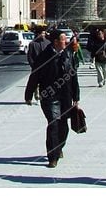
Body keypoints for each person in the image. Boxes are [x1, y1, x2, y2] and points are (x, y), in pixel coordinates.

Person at [24, 29, 80, 168]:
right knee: (53, 124)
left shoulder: (68, 54)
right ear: (56, 42)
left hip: (65, 95)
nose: (66, 42)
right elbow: (34, 76)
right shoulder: (44, 57)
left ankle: (59, 147)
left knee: (63, 127)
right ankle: (52, 157)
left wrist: (76, 97)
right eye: (63, 39)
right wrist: (29, 94)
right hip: (49, 96)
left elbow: (73, 76)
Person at [27, 29, 50, 101]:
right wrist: (33, 65)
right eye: (41, 33)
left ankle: (42, 95)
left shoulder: (48, 43)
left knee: (45, 82)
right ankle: (36, 93)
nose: (43, 35)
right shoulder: (32, 44)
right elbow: (29, 56)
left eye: (44, 33)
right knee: (35, 82)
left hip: (46, 67)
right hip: (36, 66)